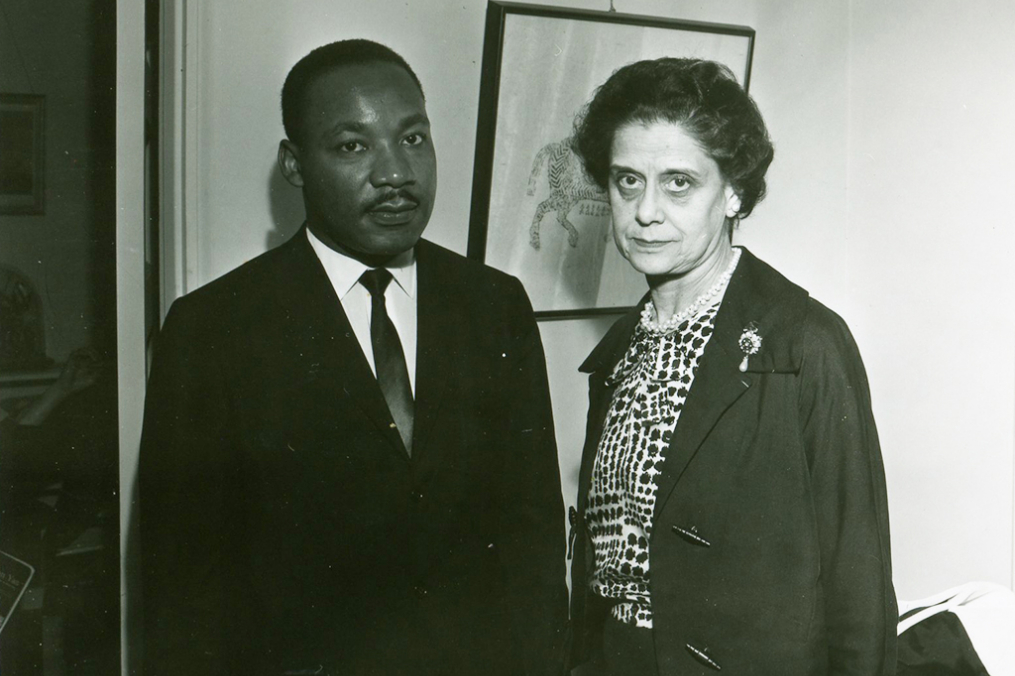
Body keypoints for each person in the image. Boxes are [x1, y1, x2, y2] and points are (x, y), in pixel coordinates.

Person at [139, 39, 567, 676]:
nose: (396, 173)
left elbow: (532, 535)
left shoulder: (493, 305)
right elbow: (183, 594)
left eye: (413, 138)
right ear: (295, 164)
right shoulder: (213, 330)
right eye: (352, 145)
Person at [565, 58, 897, 675]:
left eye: (679, 183)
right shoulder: (619, 352)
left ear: (735, 192)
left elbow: (860, 589)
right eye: (627, 181)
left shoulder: (804, 344)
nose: (646, 212)